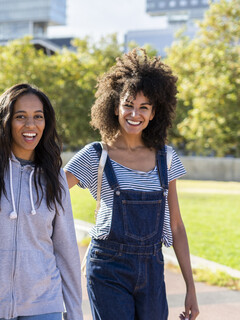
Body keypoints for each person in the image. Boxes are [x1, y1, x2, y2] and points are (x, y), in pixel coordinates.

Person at [64, 48, 199, 320]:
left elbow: (176, 226)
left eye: (143, 107)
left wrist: (191, 288)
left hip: (152, 267)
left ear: (153, 113)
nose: (134, 113)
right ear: (115, 107)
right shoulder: (95, 155)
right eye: (128, 104)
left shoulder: (166, 158)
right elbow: (48, 189)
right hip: (107, 268)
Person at [0, 83, 83, 320]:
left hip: (44, 306)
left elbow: (66, 250)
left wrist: (74, 314)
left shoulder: (54, 176)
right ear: (5, 120)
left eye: (38, 117)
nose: (31, 125)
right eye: (21, 117)